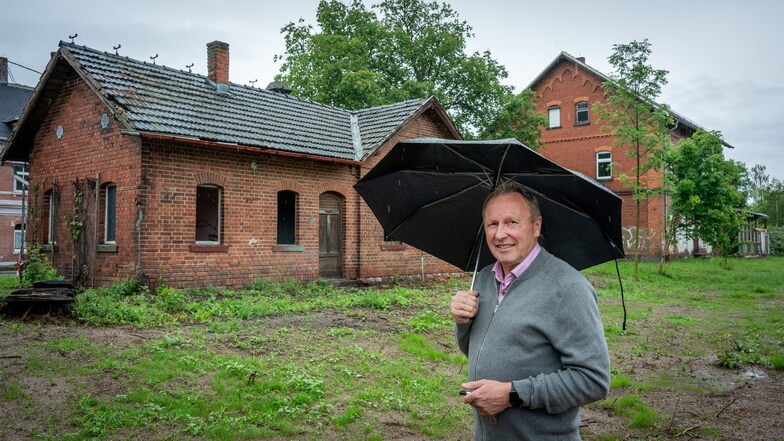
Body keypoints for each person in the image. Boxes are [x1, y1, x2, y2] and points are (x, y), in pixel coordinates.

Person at [450, 180, 610, 440]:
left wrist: (512, 394)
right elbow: (478, 349)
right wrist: (463, 321)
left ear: (536, 226)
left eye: (511, 222)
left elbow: (593, 380)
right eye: (492, 224)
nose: (500, 234)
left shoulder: (567, 288)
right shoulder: (483, 279)